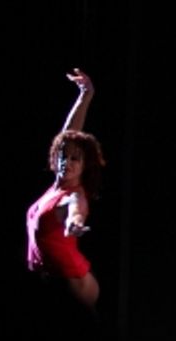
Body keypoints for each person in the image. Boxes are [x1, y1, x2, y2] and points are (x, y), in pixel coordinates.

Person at [26, 68, 106, 309]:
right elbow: (69, 135)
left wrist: (75, 222)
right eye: (63, 156)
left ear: (84, 166)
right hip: (52, 283)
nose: (66, 163)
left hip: (74, 288)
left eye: (74, 159)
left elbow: (75, 209)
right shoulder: (56, 187)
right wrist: (85, 94)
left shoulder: (72, 195)